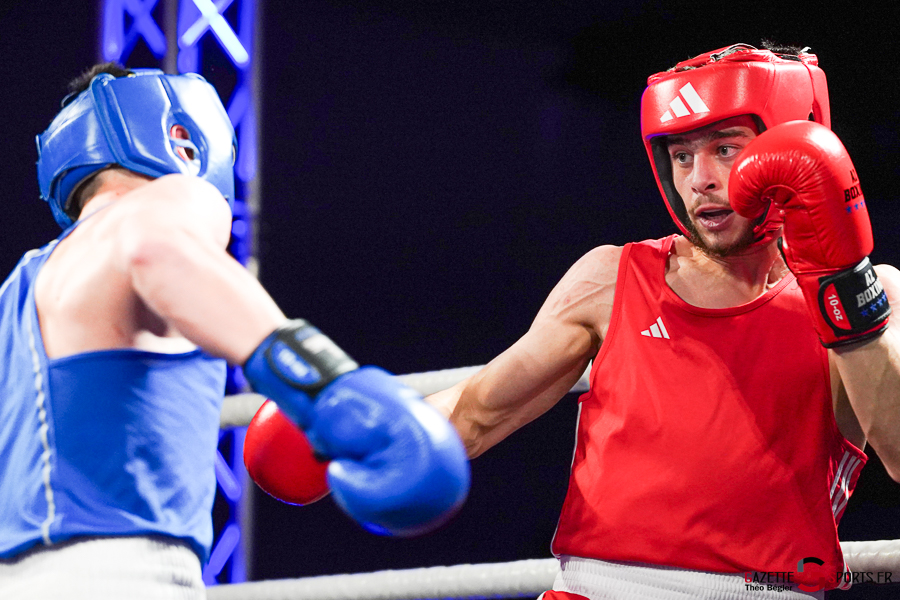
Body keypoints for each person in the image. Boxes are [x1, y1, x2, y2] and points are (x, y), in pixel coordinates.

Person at [425, 43, 900, 599]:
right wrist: (339, 433)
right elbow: (474, 413)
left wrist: (844, 286)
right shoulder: (611, 278)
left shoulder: (874, 293)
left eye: (726, 149)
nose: (700, 178)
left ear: (794, 146)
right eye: (681, 156)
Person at [0, 64, 469, 599]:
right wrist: (332, 392)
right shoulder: (171, 200)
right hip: (122, 573)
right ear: (182, 136)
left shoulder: (20, 289)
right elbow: (156, 250)